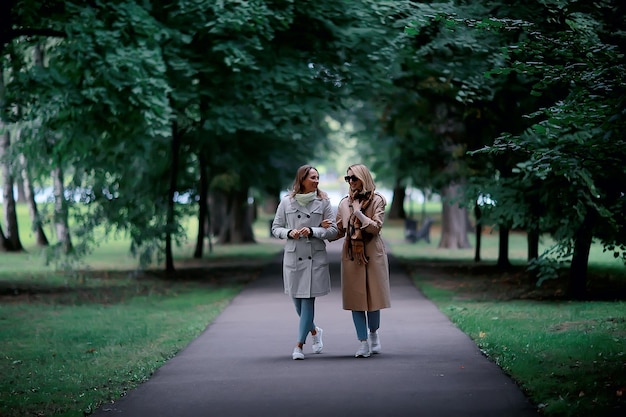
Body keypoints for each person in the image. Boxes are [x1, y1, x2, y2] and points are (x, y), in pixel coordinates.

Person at [272, 165, 338, 360]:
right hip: (293, 258)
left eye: (318, 177)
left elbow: (333, 231)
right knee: (298, 305)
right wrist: (289, 233)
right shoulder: (286, 202)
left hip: (314, 258)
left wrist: (314, 230)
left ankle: (299, 345)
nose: (316, 181)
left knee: (308, 301)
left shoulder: (323, 202)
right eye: (312, 177)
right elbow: (275, 228)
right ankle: (315, 332)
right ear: (302, 180)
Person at [334, 164, 391, 358]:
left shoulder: (377, 200)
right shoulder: (343, 203)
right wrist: (318, 231)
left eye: (354, 178)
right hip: (352, 256)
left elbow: (375, 228)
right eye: (347, 178)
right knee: (356, 300)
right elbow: (339, 230)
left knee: (373, 298)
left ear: (363, 178)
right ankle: (362, 342)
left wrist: (358, 212)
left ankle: (373, 333)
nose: (351, 182)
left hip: (372, 254)